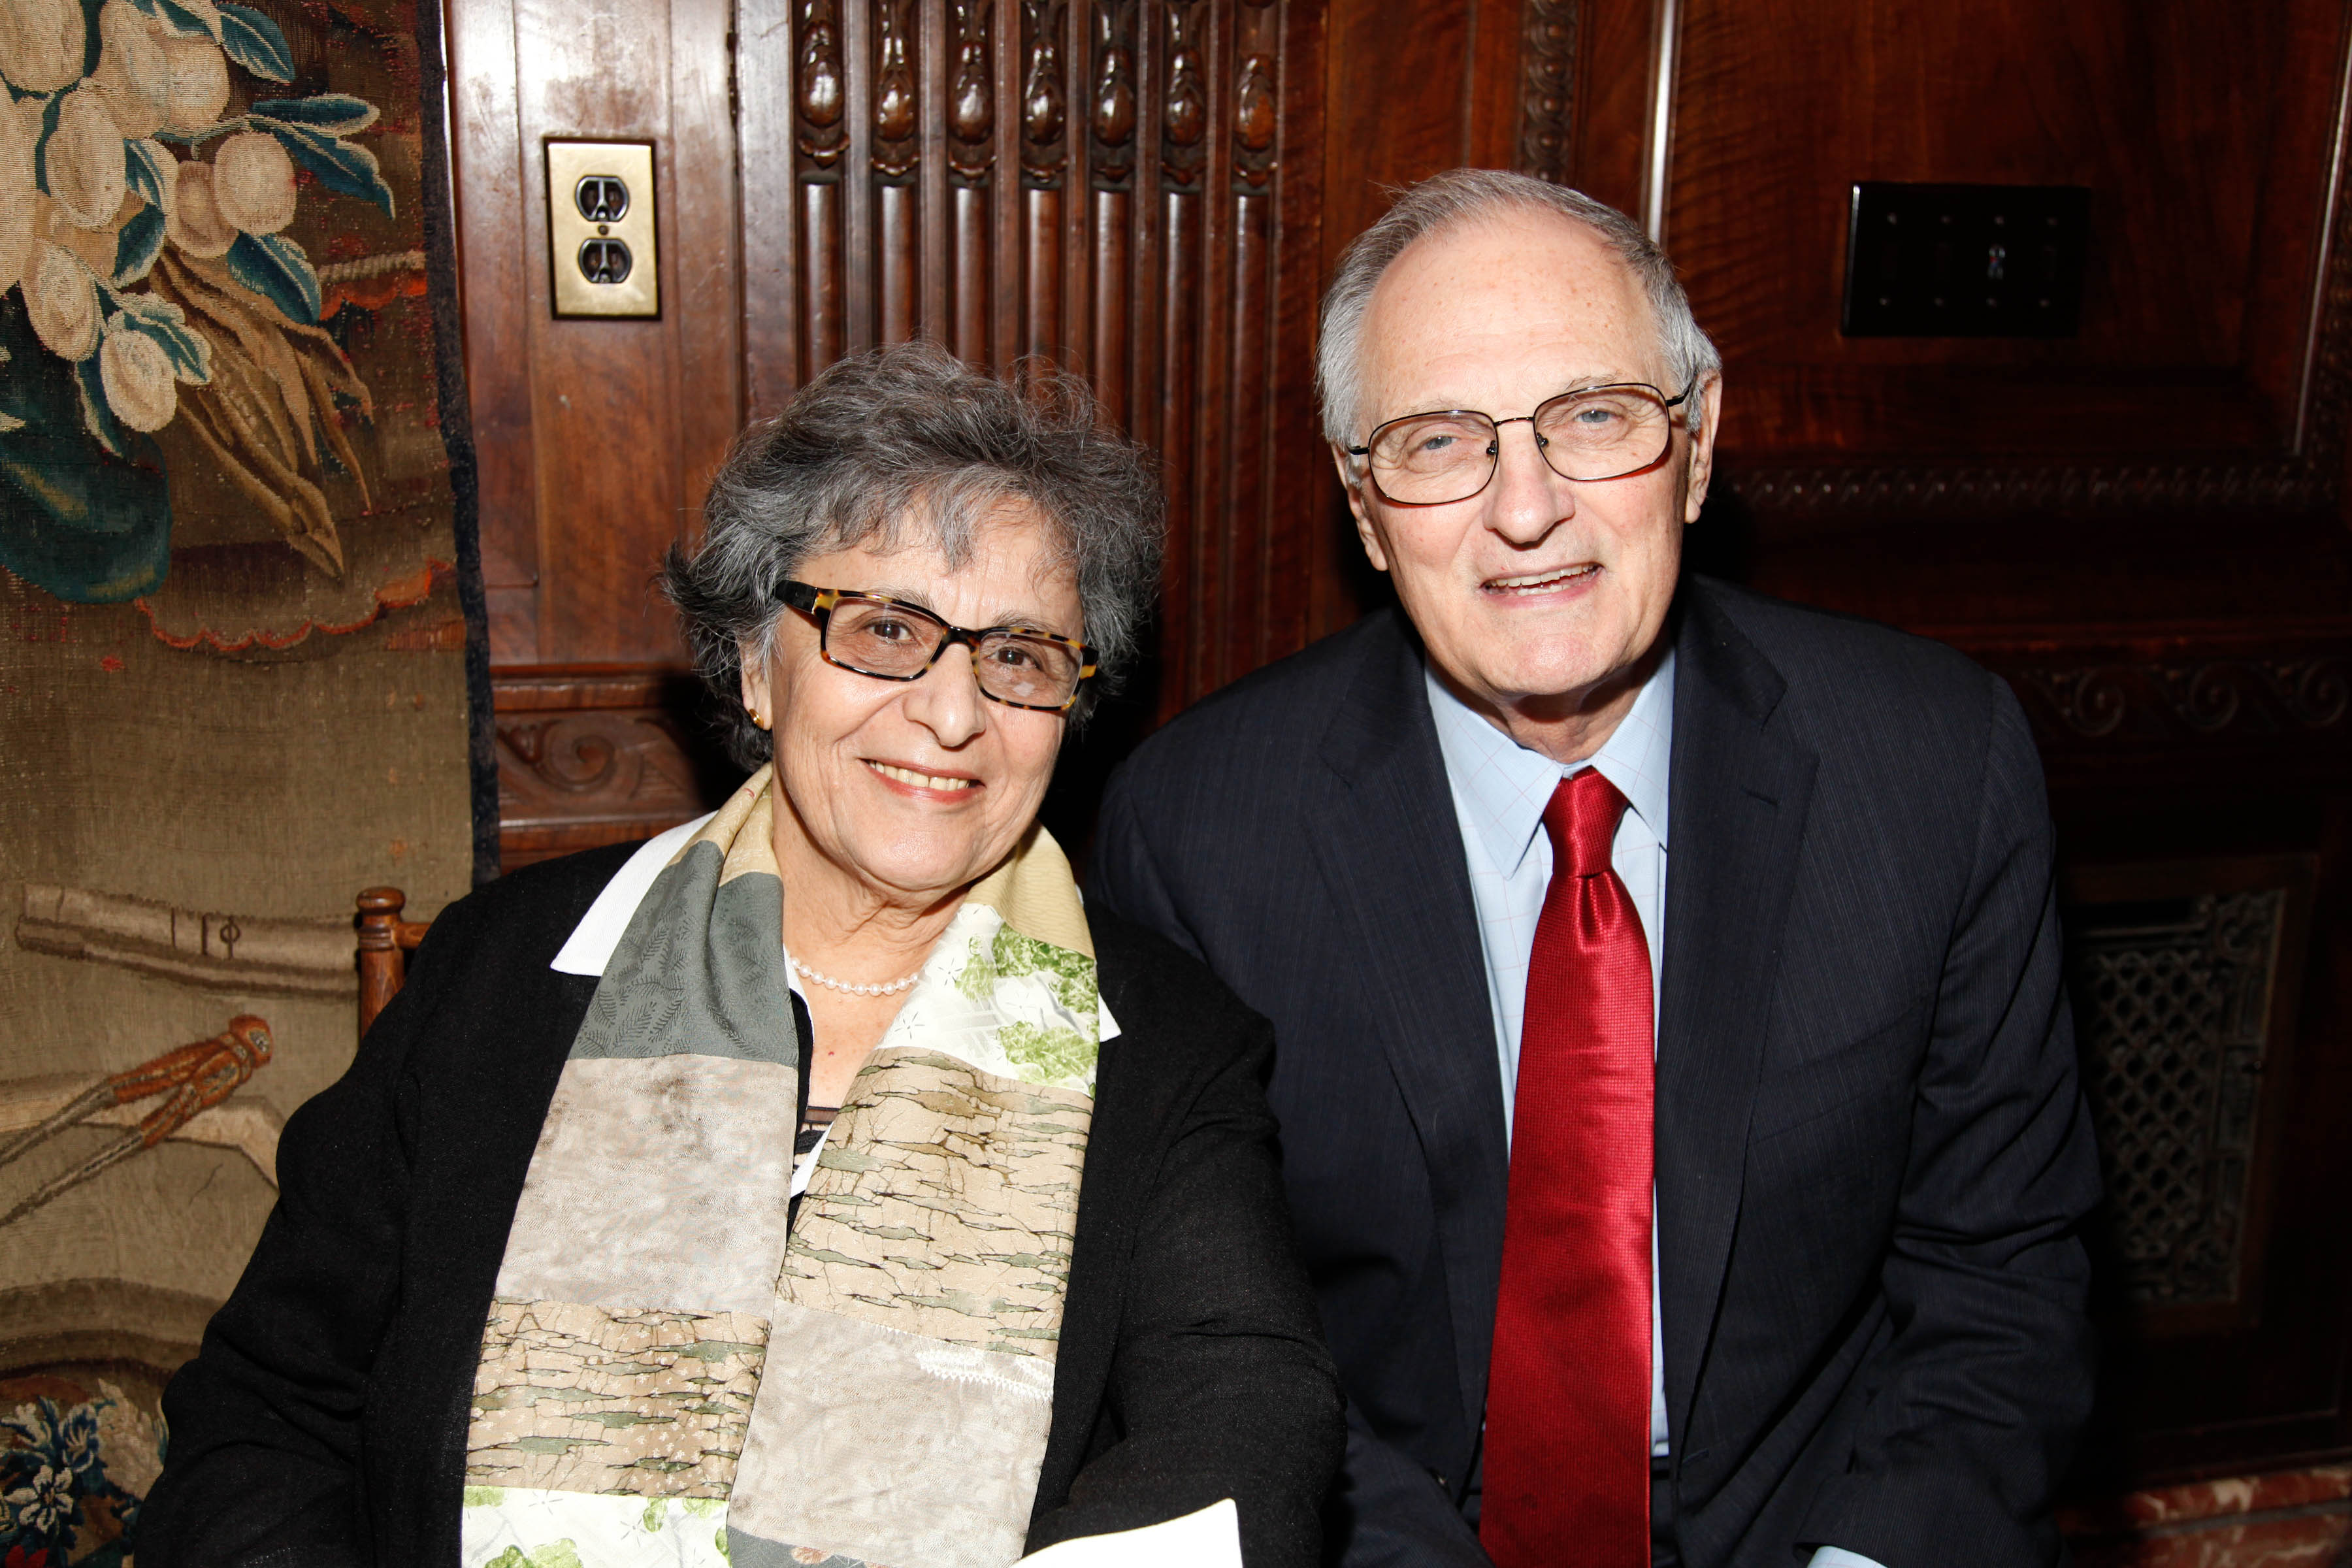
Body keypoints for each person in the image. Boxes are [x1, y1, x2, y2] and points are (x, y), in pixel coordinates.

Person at [139, 342, 1343, 1568]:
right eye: (885, 630)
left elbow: (1245, 1445)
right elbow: (269, 1421)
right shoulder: (498, 972)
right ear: (758, 664)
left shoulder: (1173, 1050)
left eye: (1019, 655)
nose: (953, 710)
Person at [1086, 170, 2101, 1568]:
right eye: (1439, 442)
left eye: (1594, 419)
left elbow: (2000, 1284)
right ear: (1366, 507)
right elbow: (1223, 1346)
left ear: (1695, 445)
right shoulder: (1194, 833)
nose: (1528, 509)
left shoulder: (1935, 767)